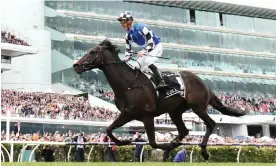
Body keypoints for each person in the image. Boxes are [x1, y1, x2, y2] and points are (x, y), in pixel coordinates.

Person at [117, 11, 167, 89]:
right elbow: (128, 50)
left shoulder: (142, 28)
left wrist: (143, 51)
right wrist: (126, 57)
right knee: (135, 67)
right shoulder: (128, 36)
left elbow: (151, 44)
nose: (121, 24)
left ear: (129, 21)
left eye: (123, 22)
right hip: (147, 50)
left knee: (148, 61)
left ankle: (161, 81)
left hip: (156, 46)